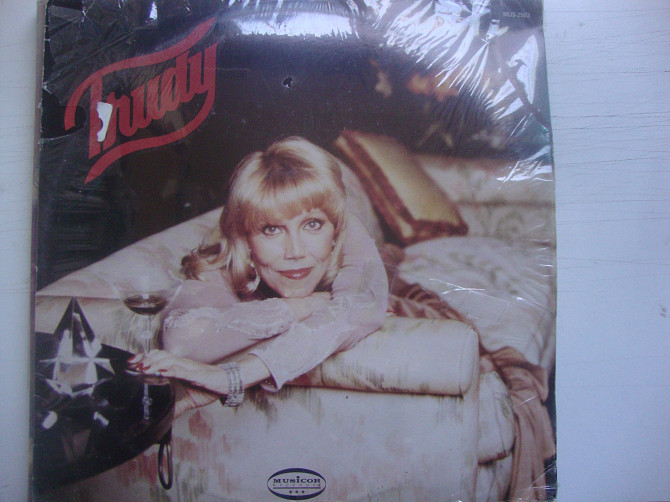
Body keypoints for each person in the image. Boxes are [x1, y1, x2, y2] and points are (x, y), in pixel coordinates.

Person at [129, 136, 388, 414]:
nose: (295, 252)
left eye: (312, 225)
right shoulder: (228, 261)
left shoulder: (349, 229)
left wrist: (234, 377)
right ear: (245, 239)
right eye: (271, 229)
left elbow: (362, 308)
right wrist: (303, 306)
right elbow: (179, 341)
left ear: (334, 229)